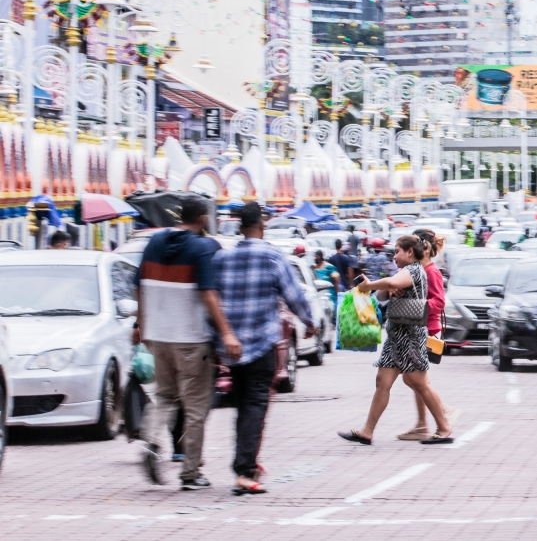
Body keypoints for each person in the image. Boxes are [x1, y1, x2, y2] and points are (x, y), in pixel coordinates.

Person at [136, 196, 242, 490]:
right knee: (195, 408)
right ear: (203, 218)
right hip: (191, 340)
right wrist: (227, 333)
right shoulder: (199, 248)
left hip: (159, 337)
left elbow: (139, 286)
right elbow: (208, 294)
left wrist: (142, 325)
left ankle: (150, 441)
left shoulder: (154, 242)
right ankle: (190, 473)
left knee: (165, 397)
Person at [214, 202, 316, 495]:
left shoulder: (223, 258)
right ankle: (245, 471)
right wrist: (309, 321)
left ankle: (247, 462)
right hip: (261, 344)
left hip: (232, 347)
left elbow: (212, 301)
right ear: (261, 224)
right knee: (255, 405)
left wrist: (217, 340)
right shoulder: (272, 256)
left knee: (243, 405)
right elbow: (294, 294)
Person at [339, 236, 453, 445]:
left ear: (410, 252)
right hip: (395, 338)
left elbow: (390, 283)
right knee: (382, 382)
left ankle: (444, 428)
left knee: (420, 383)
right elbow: (383, 295)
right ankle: (367, 431)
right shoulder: (403, 272)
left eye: (397, 252)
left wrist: (370, 285)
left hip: (410, 337)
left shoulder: (415, 270)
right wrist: (386, 287)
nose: (394, 257)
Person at [397, 229, 458, 441]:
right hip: (419, 326)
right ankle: (423, 424)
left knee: (415, 379)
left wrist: (413, 307)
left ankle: (442, 412)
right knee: (415, 379)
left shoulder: (431, 271)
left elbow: (439, 302)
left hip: (428, 328)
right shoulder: (417, 270)